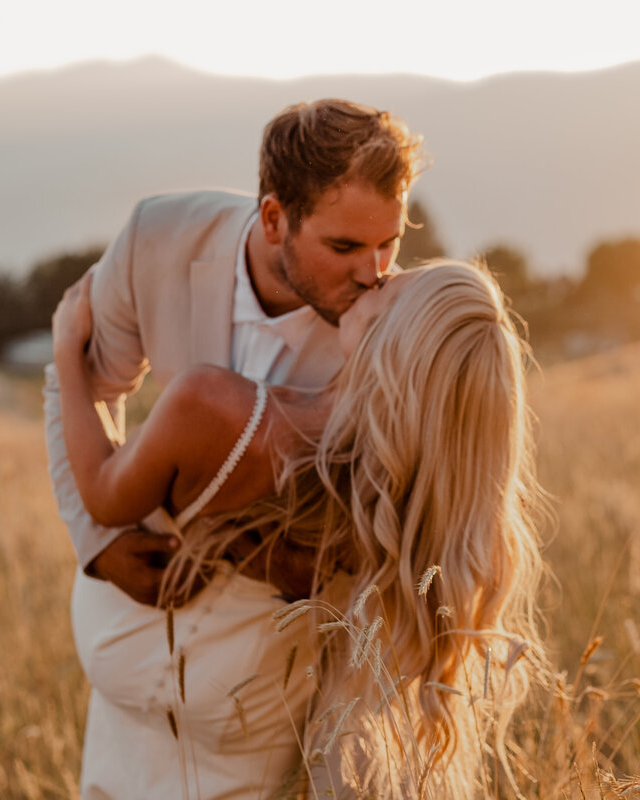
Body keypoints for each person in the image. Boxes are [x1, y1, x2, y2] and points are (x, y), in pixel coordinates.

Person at [40, 98, 426, 797]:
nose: (374, 272)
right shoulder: (158, 236)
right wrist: (95, 537)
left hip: (265, 685)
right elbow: (84, 386)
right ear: (275, 217)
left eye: (389, 243)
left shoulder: (389, 323)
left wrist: (250, 550)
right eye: (345, 247)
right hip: (130, 650)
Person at [53, 261, 546, 798]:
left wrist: (65, 358)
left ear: (395, 336)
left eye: (394, 283)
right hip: (232, 759)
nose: (376, 275)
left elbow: (101, 492)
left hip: (148, 724)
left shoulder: (217, 410)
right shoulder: (395, 515)